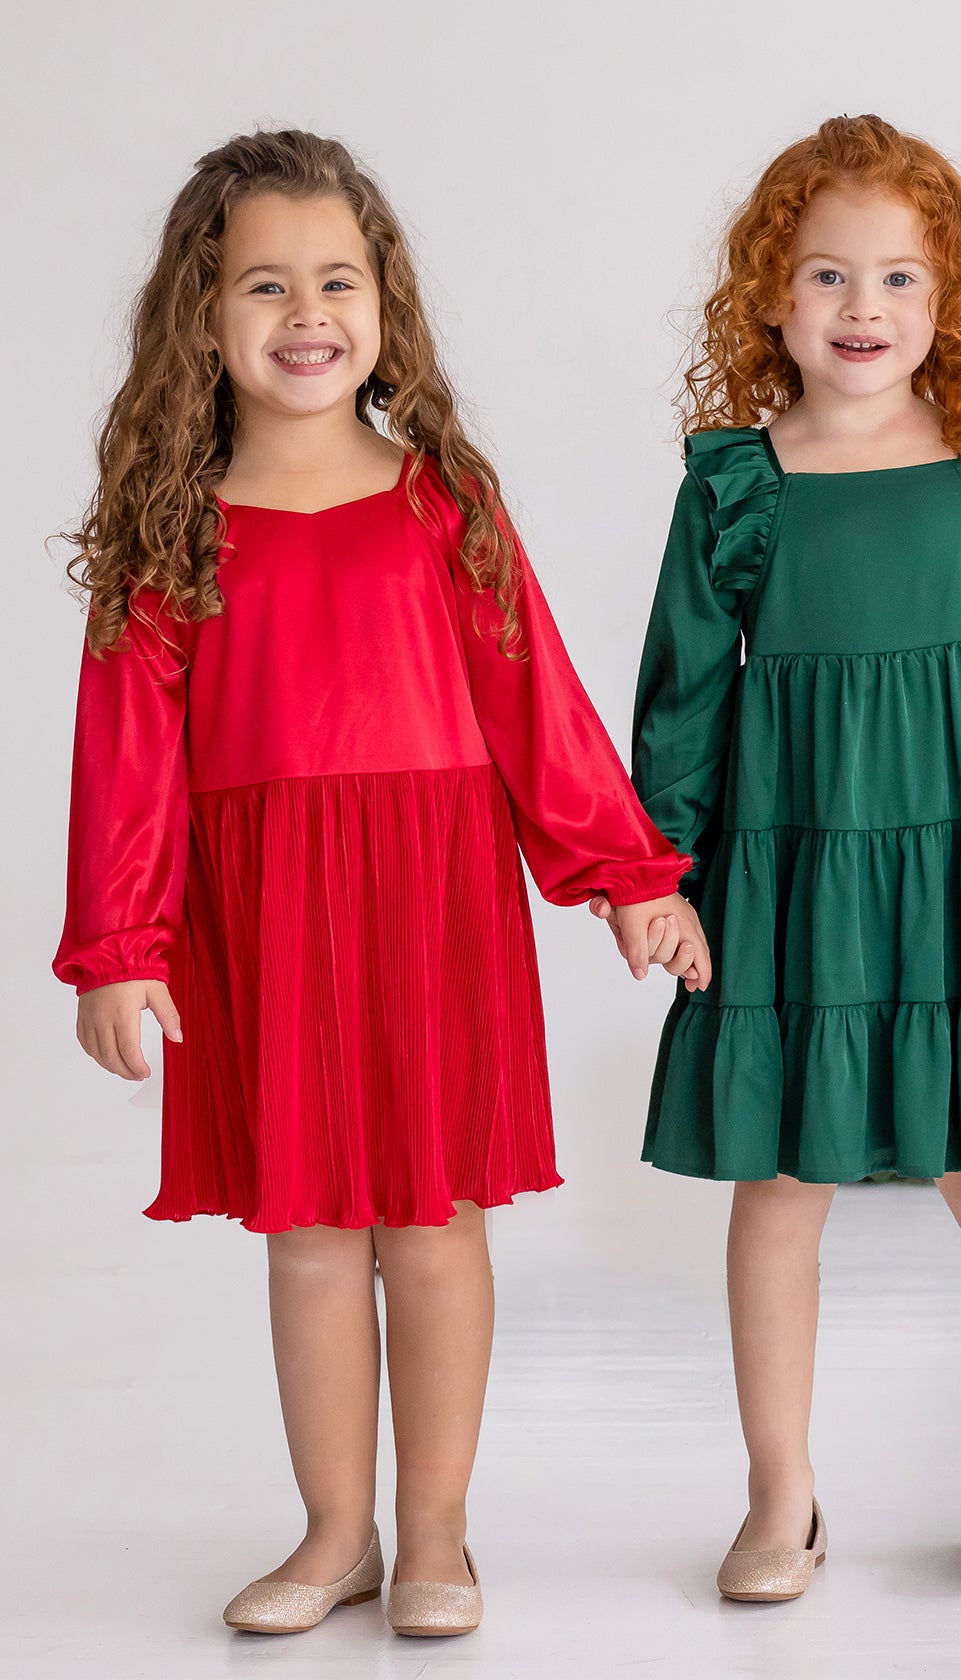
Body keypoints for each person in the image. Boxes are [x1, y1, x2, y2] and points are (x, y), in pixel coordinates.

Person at [52, 127, 708, 1639]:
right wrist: (119, 948)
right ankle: (335, 1529)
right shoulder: (174, 533)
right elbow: (126, 758)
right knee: (307, 1237)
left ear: (384, 301)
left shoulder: (440, 499)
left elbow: (533, 700)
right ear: (201, 321)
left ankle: (434, 1537)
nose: (306, 314)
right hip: (266, 906)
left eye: (336, 280)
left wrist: (624, 878)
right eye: (264, 285)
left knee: (430, 1225)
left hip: (428, 900)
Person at [591, 113, 961, 1598]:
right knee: (780, 1188)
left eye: (896, 278)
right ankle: (781, 1497)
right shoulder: (738, 487)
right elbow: (683, 696)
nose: (863, 310)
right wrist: (663, 874)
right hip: (796, 870)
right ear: (773, 296)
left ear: (949, 301)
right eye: (827, 276)